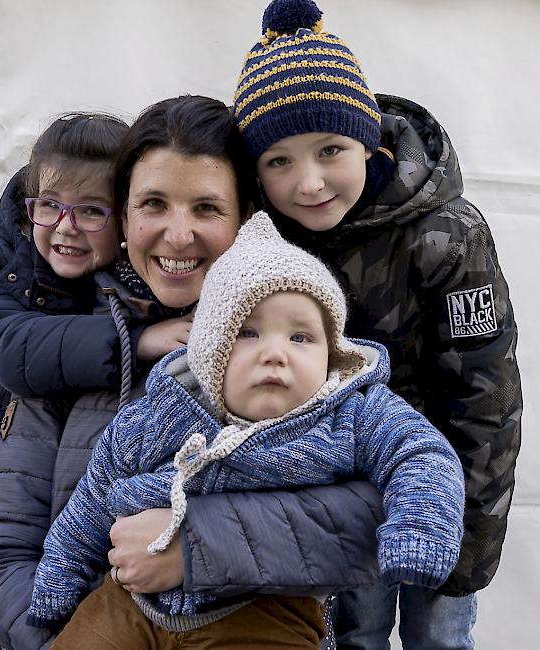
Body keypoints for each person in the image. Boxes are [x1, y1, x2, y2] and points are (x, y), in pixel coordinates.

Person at [0, 95, 385, 650]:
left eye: (207, 208)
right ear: (123, 213)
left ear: (246, 219)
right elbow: (0, 554)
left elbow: (371, 522)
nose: (178, 235)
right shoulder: (59, 340)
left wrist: (195, 547)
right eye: (154, 204)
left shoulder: (298, 345)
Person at [224, 0, 523, 648]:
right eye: (278, 161)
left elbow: (486, 401)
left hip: (443, 494)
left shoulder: (447, 235)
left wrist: (465, 546)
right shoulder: (266, 243)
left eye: (330, 149)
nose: (308, 182)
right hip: (338, 506)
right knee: (352, 638)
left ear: (370, 139)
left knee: (438, 639)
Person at [28, 211, 465, 649]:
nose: (275, 353)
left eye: (301, 338)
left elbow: (421, 454)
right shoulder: (163, 412)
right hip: (133, 601)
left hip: (266, 607)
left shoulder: (352, 413)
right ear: (210, 346)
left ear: (330, 352)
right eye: (249, 333)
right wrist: (60, 575)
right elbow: (95, 492)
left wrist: (420, 529)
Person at [0, 112, 148, 530]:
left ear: (125, 216)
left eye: (90, 211)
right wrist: (135, 341)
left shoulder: (139, 283)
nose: (65, 227)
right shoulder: (14, 262)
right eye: (49, 205)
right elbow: (10, 349)